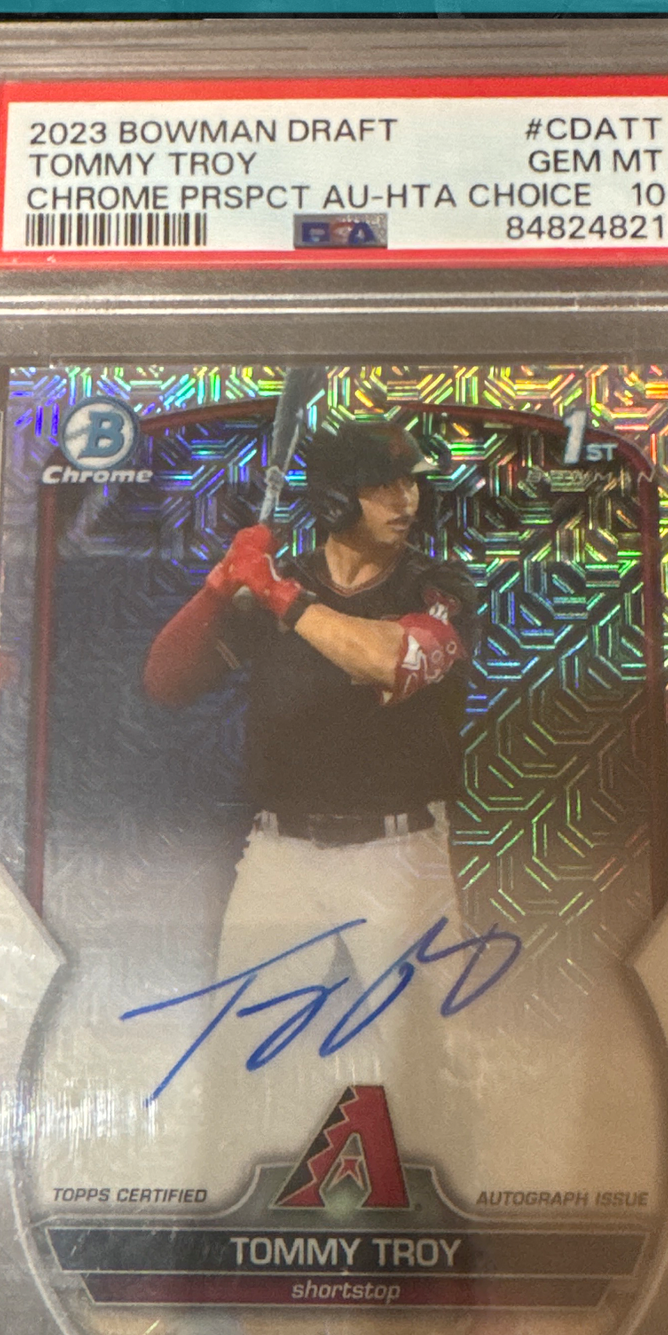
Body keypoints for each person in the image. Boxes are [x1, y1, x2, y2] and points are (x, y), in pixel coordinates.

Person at [141, 418, 481, 1092]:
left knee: (433, 1066)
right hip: (281, 856)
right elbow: (166, 682)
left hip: (398, 856)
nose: (406, 500)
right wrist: (218, 589)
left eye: (410, 482)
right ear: (334, 498)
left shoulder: (437, 585)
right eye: (382, 486)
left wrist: (280, 597)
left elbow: (392, 659)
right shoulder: (281, 580)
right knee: (241, 1059)